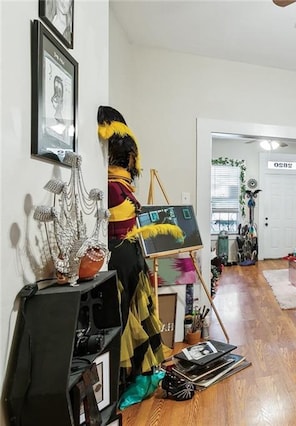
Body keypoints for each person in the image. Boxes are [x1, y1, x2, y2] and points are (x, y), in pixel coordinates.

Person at [97, 106, 181, 391]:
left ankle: (135, 377)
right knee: (122, 318)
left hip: (132, 258)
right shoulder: (111, 187)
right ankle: (124, 380)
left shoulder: (120, 186)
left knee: (137, 315)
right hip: (120, 260)